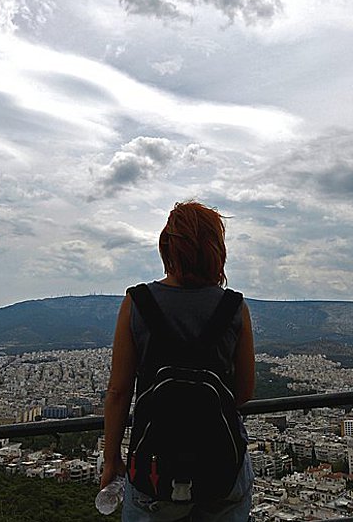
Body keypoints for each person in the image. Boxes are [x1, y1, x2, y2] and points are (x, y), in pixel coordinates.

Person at [101, 201, 256, 522]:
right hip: (222, 467)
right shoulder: (234, 307)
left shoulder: (136, 302)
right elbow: (243, 393)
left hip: (154, 465)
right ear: (216, 249)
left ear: (166, 246)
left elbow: (118, 391)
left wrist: (111, 458)